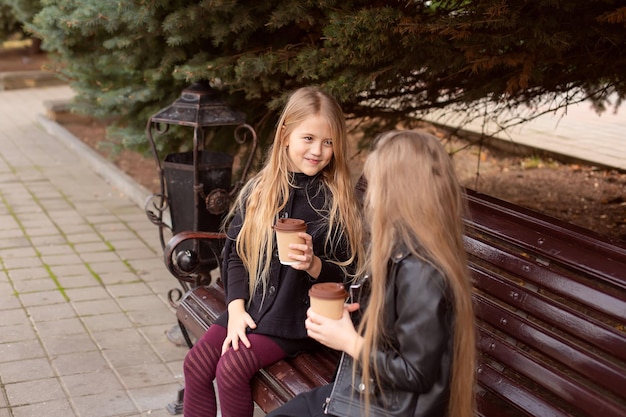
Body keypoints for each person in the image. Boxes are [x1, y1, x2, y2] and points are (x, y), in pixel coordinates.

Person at [182, 86, 364, 417]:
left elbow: (348, 275)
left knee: (232, 369)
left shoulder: (335, 202)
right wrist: (236, 310)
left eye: (328, 142)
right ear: (285, 135)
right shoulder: (262, 190)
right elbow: (236, 253)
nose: (318, 150)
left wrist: (313, 265)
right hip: (253, 307)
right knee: (196, 363)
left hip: (297, 322)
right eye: (308, 138)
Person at [267, 130, 476, 417]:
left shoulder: (421, 269)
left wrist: (349, 341)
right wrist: (351, 314)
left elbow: (416, 373)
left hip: (390, 407)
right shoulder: (402, 249)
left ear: (397, 191)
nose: (369, 194)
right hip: (374, 391)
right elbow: (397, 328)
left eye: (375, 182)